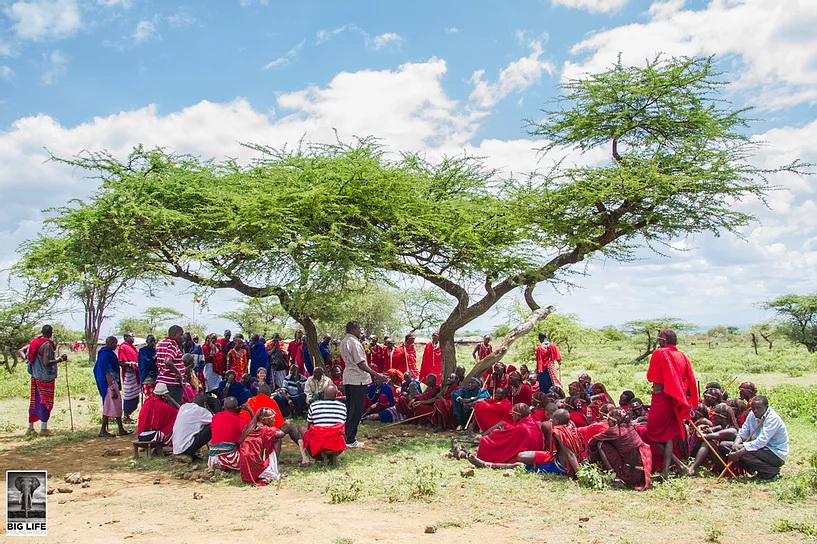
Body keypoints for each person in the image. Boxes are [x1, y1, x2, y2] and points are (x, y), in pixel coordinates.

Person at [646, 328, 698, 480]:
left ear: (663, 340)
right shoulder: (682, 355)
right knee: (668, 435)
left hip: (661, 398)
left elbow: (651, 376)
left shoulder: (660, 353)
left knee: (651, 433)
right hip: (674, 398)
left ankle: (677, 467)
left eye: (660, 338)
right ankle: (667, 472)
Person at [209, 398, 282, 485]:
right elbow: (254, 428)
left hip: (213, 459)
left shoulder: (215, 417)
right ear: (237, 408)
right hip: (229, 459)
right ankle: (270, 467)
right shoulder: (241, 421)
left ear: (223, 407)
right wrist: (250, 411)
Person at [339, 321, 387, 448]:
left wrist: (367, 366)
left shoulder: (344, 341)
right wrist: (377, 375)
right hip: (357, 379)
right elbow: (360, 363)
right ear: (353, 329)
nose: (360, 331)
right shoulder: (354, 343)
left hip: (349, 377)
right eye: (359, 328)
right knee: (357, 409)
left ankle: (347, 435)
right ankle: (350, 439)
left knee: (350, 408)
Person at [241, 383, 310, 466]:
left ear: (258, 392)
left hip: (249, 434)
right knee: (283, 433)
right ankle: (305, 452)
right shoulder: (271, 401)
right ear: (269, 394)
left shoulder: (250, 401)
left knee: (279, 433)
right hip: (263, 433)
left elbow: (243, 420)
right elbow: (279, 422)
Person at [727, 396, 789, 480]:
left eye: (759, 408)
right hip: (759, 450)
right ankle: (753, 469)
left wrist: (738, 453)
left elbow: (760, 442)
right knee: (726, 446)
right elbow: (743, 432)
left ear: (766, 407)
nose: (755, 411)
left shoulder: (772, 418)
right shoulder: (752, 414)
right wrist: (735, 444)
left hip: (774, 453)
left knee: (741, 451)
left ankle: (770, 470)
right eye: (753, 408)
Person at [588, 408, 652, 489]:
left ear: (615, 421)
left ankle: (614, 476)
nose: (607, 422)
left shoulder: (613, 431)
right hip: (641, 474)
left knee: (602, 444)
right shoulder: (630, 426)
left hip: (629, 474)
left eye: (609, 420)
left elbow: (592, 441)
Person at [20, 324, 66, 437]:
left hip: (35, 376)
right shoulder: (47, 344)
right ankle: (44, 429)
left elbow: (20, 351)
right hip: (45, 378)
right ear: (50, 333)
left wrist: (27, 360)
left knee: (34, 401)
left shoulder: (34, 342)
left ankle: (30, 428)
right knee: (46, 402)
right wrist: (60, 359)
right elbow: (46, 362)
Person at [462, 403, 544, 466]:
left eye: (513, 413)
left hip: (524, 453)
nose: (511, 415)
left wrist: (496, 434)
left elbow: (510, 439)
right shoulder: (532, 422)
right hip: (529, 448)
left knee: (491, 437)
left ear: (519, 415)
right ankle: (473, 445)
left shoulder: (523, 428)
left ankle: (472, 448)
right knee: (502, 425)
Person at [300, 384, 348, 467]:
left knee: (301, 428)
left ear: (323, 394)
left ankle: (305, 458)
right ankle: (332, 456)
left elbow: (309, 426)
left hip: (317, 445)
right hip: (337, 444)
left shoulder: (314, 405)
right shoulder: (342, 406)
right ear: (336, 395)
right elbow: (342, 426)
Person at [94, 336, 131, 438]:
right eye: (115, 343)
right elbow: (107, 372)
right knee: (109, 405)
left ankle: (120, 428)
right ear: (110, 343)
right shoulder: (106, 355)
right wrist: (111, 387)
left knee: (116, 404)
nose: (116, 345)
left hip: (111, 382)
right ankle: (103, 430)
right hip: (109, 383)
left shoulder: (105, 354)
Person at [137, 382, 179, 447]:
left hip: (141, 435)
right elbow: (180, 413)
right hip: (152, 436)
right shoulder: (165, 407)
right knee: (176, 422)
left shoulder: (147, 401)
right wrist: (171, 400)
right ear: (164, 395)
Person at [172, 394, 213, 461]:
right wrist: (208, 409)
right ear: (204, 404)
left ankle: (192, 453)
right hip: (186, 448)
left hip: (177, 447)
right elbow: (216, 420)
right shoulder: (201, 411)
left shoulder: (184, 407)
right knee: (212, 426)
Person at [156, 325, 186, 404]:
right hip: (172, 383)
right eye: (181, 335)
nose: (182, 337)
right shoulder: (172, 344)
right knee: (173, 409)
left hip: (162, 381)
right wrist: (178, 373)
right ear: (174, 334)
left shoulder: (161, 344)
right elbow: (168, 361)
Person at [118, 332, 140, 424]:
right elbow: (121, 362)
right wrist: (131, 364)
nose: (133, 338)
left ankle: (130, 414)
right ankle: (126, 416)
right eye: (131, 336)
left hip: (136, 374)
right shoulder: (123, 347)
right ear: (126, 337)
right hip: (129, 374)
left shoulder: (133, 347)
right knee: (128, 395)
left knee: (136, 395)